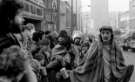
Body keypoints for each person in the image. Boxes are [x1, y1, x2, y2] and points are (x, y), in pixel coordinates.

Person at [69, 26, 134, 82]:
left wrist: (123, 70)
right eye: (103, 33)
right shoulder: (95, 46)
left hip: (112, 75)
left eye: (107, 33)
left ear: (111, 34)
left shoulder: (116, 47)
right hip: (98, 74)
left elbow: (121, 63)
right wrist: (80, 69)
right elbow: (87, 60)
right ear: (100, 34)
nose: (105, 35)